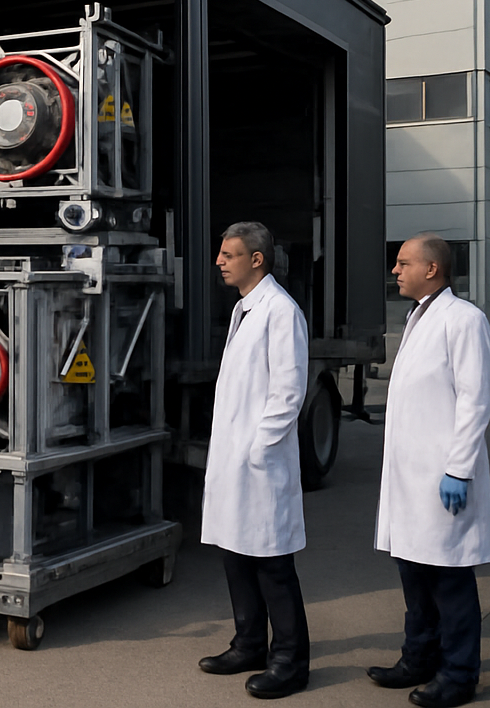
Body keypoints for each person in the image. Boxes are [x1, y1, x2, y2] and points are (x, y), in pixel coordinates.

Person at [370, 234, 490, 708]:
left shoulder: (463, 320)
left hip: (443, 478)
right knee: (415, 574)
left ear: (433, 269)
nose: (395, 270)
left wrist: (459, 470)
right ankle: (419, 658)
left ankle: (460, 674)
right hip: (410, 478)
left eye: (404, 263)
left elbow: (475, 400)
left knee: (450, 578)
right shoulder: (417, 316)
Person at [199, 222, 311, 699]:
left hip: (259, 461)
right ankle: (248, 644)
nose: (220, 261)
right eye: (221, 254)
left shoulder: (280, 311)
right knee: (236, 554)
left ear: (257, 259)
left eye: (230, 254)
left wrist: (259, 449)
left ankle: (290, 660)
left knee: (271, 563)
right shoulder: (245, 309)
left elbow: (288, 392)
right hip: (235, 458)